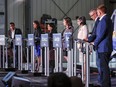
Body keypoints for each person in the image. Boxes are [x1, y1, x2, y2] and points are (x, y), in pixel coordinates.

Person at [94, 5, 113, 87]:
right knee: (104, 67)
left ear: (100, 12)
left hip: (104, 48)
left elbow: (101, 35)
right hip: (104, 47)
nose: (97, 14)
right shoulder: (106, 19)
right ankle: (105, 83)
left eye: (97, 12)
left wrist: (95, 43)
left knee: (104, 68)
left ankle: (105, 84)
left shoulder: (104, 20)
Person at [77, 16, 88, 82]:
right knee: (82, 62)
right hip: (80, 46)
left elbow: (85, 36)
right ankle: (83, 76)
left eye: (78, 21)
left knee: (84, 62)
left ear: (81, 21)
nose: (77, 22)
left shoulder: (84, 27)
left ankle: (85, 77)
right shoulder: (80, 27)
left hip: (83, 46)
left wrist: (81, 41)